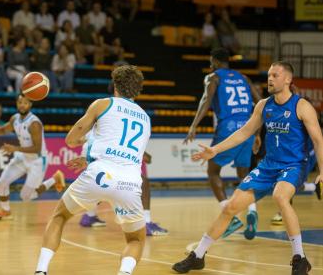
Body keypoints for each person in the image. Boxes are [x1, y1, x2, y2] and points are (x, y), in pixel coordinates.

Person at [172, 61, 323, 275]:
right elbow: (244, 132)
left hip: (294, 165)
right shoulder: (263, 105)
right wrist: (215, 150)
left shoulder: (301, 106)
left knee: (281, 196)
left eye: (275, 75)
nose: (270, 79)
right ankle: (198, 255)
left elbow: (318, 140)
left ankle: (300, 258)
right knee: (229, 208)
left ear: (288, 79)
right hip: (269, 166)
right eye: (269, 75)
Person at [34, 65, 150, 275]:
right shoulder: (145, 118)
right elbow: (123, 152)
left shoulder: (102, 104)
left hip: (99, 176)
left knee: (59, 217)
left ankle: (41, 271)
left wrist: (86, 152)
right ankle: (124, 273)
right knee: (135, 239)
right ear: (138, 90)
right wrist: (89, 158)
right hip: (130, 184)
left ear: (115, 86)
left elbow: (70, 140)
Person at [183, 48, 262, 240]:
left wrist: (193, 125)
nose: (211, 66)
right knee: (243, 173)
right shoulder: (244, 78)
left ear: (216, 62)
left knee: (212, 171)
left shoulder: (213, 77)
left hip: (229, 128)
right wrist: (257, 132)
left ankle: (230, 215)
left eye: (211, 62)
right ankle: (252, 209)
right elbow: (260, 102)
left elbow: (205, 100)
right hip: (248, 128)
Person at [0, 94, 66, 220]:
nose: (22, 105)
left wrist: (15, 148)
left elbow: (36, 148)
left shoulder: (34, 123)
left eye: (25, 103)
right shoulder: (15, 118)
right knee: (2, 181)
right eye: (20, 102)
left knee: (26, 197)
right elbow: (3, 130)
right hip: (23, 157)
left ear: (30, 105)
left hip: (37, 161)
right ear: (17, 104)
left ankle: (54, 179)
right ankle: (5, 210)